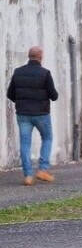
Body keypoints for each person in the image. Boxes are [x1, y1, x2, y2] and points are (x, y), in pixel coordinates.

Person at [6, 46, 59, 186]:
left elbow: (10, 94)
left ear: (29, 56)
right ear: (40, 57)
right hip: (41, 114)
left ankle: (28, 176)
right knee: (47, 138)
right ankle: (43, 169)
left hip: (23, 115)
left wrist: (22, 103)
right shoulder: (45, 73)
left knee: (25, 144)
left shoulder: (18, 72)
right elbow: (54, 96)